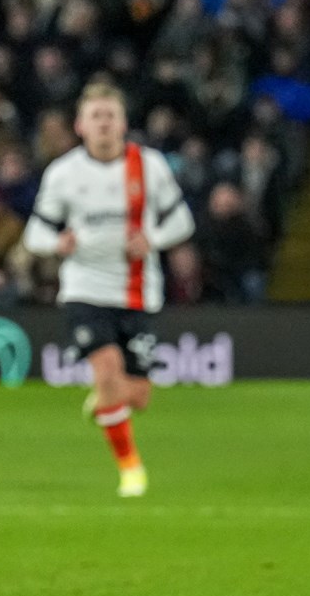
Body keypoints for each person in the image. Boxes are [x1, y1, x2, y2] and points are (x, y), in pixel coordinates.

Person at [23, 83, 195, 497]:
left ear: (123, 123)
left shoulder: (148, 166)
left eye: (110, 115)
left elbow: (182, 222)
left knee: (136, 395)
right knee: (106, 369)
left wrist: (152, 238)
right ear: (80, 125)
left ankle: (105, 400)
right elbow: (35, 233)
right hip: (84, 289)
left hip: (138, 291)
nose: (103, 123)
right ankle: (131, 469)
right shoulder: (63, 174)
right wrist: (56, 244)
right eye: (95, 116)